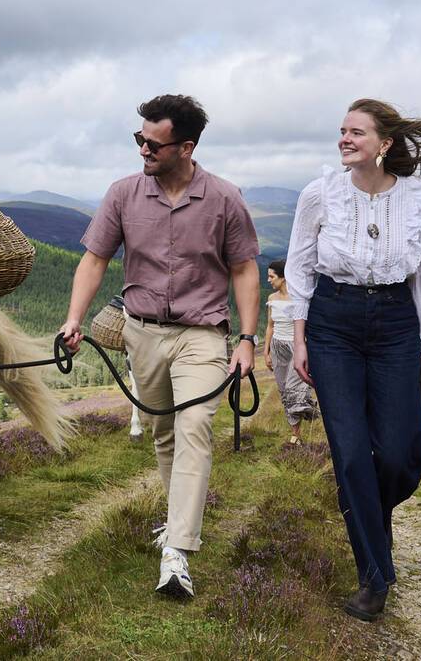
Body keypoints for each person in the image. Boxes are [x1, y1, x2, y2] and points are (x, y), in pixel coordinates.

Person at [285, 98, 421, 622]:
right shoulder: (319, 194)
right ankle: (374, 578)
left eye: (356, 132)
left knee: (403, 453)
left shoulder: (419, 201)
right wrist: (301, 338)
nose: (344, 139)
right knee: (353, 454)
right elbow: (299, 266)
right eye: (341, 131)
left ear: (385, 144)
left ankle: (370, 516)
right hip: (334, 322)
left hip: (396, 324)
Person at [59, 94, 260, 600]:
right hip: (141, 332)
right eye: (139, 140)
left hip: (203, 335)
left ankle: (177, 554)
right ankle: (176, 521)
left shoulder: (225, 198)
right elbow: (94, 260)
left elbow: (243, 269)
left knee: (194, 427)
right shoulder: (123, 194)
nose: (143, 149)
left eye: (153, 143)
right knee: (164, 432)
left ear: (186, 147)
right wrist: (74, 319)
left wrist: (247, 340)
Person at [262, 259, 318, 443]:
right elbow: (270, 326)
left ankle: (307, 414)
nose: (268, 280)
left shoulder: (299, 298)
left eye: (272, 276)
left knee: (296, 387)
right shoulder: (272, 299)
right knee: (284, 389)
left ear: (283, 278)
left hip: (296, 345)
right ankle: (296, 433)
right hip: (278, 347)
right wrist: (266, 351)